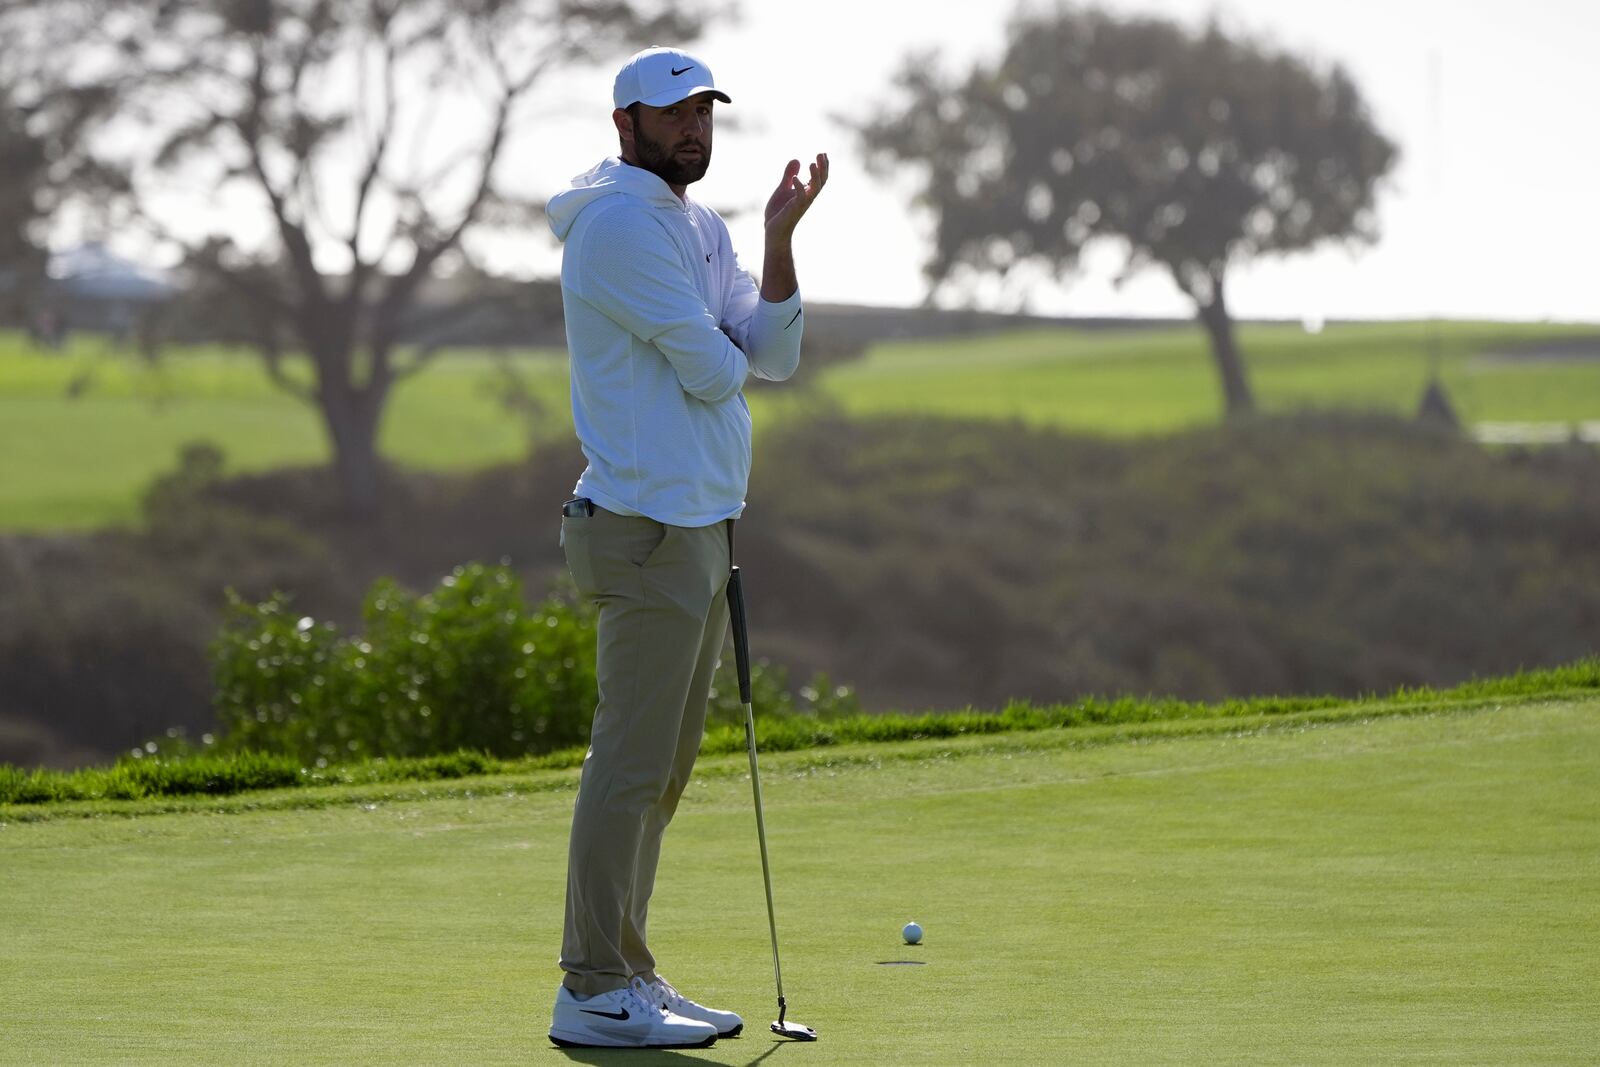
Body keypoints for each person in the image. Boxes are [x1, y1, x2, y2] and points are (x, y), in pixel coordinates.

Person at [543, 46, 827, 1050]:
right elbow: (718, 373)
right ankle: (591, 983)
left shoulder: (698, 225)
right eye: (670, 113)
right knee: (628, 763)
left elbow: (773, 354)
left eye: (702, 109)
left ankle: (628, 970)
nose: (690, 127)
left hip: (698, 524)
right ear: (624, 123)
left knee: (661, 770)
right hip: (645, 524)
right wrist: (726, 340)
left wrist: (777, 239)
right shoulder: (617, 225)